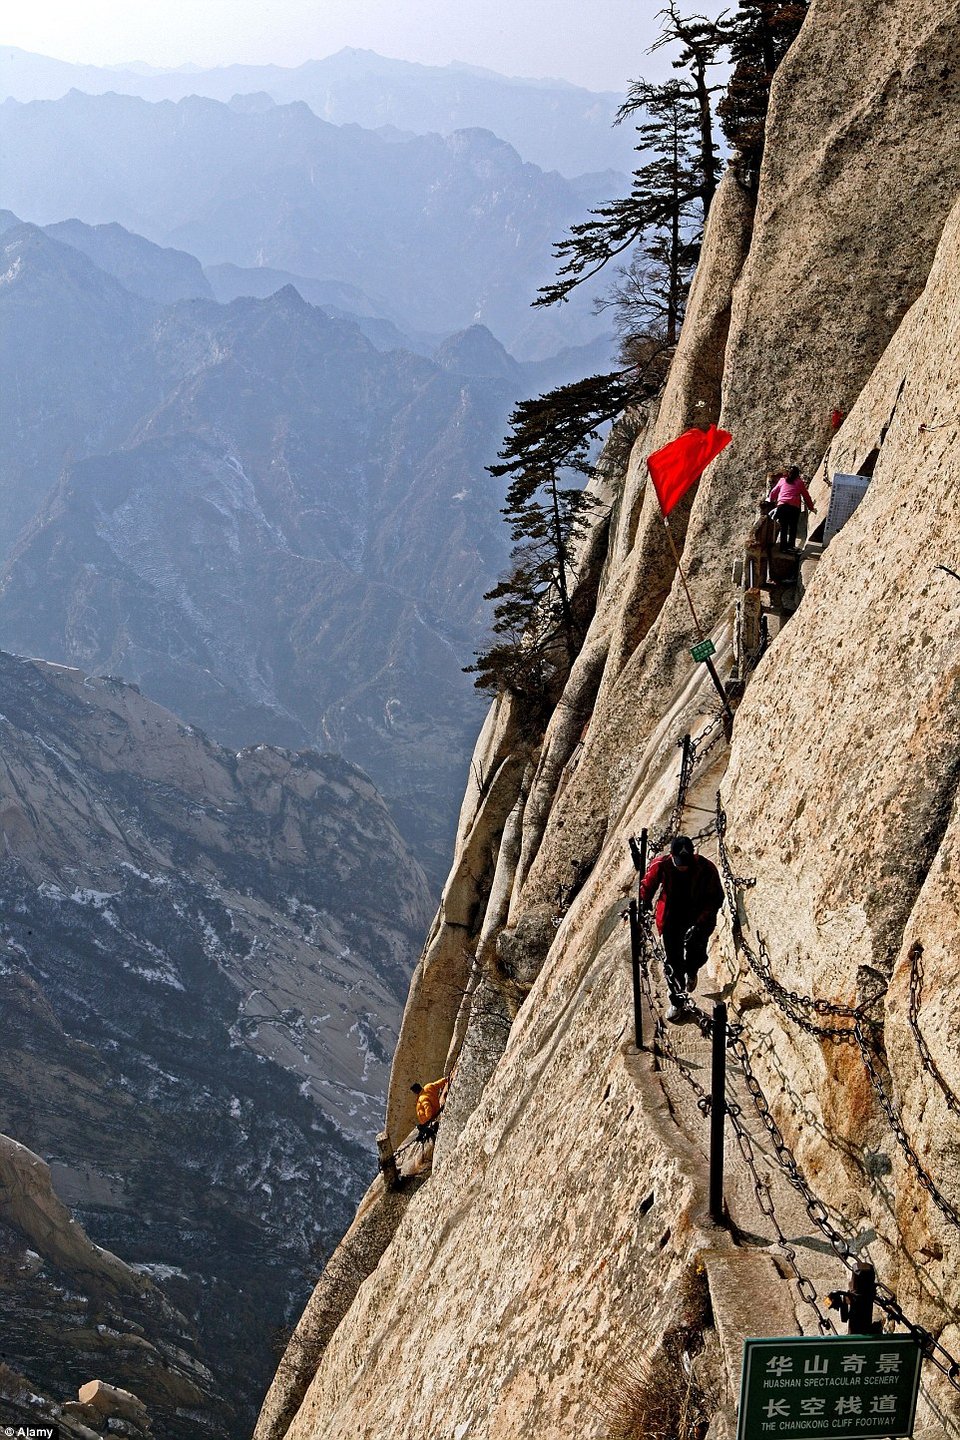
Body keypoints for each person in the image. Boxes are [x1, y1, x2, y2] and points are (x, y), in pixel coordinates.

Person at [639, 836, 724, 1019]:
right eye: (679, 862)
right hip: (671, 919)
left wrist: (701, 922)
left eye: (685, 862)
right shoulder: (662, 865)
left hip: (698, 917)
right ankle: (677, 1002)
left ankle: (692, 971)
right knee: (673, 962)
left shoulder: (706, 868)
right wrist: (644, 903)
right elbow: (648, 884)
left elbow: (716, 898)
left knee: (697, 952)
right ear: (672, 856)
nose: (683, 866)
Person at [768, 465, 816, 552]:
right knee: (793, 527)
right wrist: (811, 507)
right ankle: (790, 546)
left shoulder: (782, 480)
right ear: (798, 474)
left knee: (784, 527)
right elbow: (806, 496)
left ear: (787, 474)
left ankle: (783, 548)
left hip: (782, 506)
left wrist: (771, 500)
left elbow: (774, 492)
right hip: (794, 508)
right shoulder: (799, 482)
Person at [745, 497, 778, 587]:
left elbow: (755, 532)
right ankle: (770, 578)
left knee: (765, 561)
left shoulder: (763, 519)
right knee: (768, 560)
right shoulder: (769, 519)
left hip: (763, 545)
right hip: (766, 544)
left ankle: (766, 580)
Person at [410, 1075, 450, 1140]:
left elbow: (427, 1108)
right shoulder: (428, 1087)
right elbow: (437, 1084)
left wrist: (428, 1119)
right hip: (436, 1110)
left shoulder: (422, 1098)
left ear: (416, 1091)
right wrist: (445, 1079)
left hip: (429, 1118)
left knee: (421, 1131)